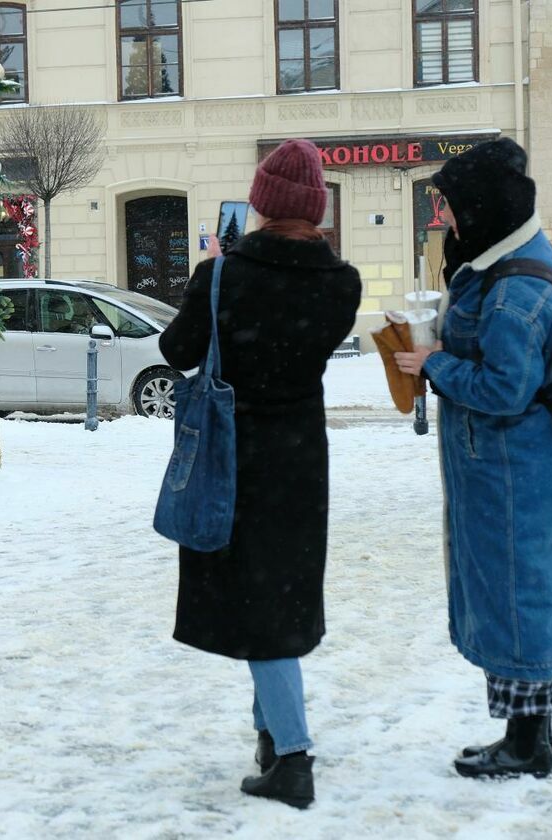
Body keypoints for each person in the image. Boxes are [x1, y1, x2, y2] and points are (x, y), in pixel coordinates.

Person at [159, 139, 361, 809]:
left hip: (234, 458)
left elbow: (177, 349)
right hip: (300, 461)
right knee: (274, 596)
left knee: (264, 609)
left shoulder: (224, 277)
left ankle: (294, 758)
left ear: (261, 201)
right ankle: (271, 738)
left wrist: (211, 279)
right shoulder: (341, 282)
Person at [395, 138, 552, 780]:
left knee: (520, 594)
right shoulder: (502, 264)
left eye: (450, 206)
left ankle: (529, 743)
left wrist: (434, 363)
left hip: (512, 469)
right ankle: (527, 733)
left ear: (483, 209)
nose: (443, 217)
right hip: (504, 465)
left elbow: (504, 388)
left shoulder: (514, 291)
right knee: (511, 591)